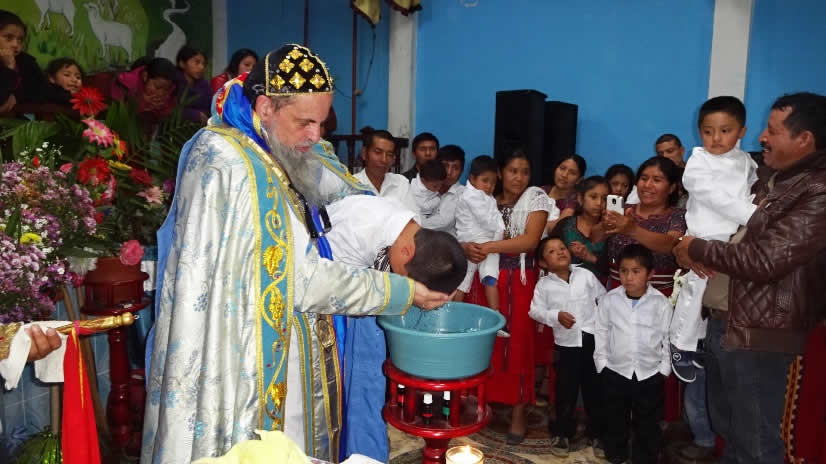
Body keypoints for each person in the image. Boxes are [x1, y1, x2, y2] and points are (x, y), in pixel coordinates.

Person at [142, 44, 450, 463]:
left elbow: (333, 182)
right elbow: (297, 280)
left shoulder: (272, 142)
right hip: (243, 356)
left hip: (291, 333)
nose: (315, 136)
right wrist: (401, 291)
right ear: (266, 107)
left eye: (321, 122)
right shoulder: (234, 164)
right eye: (305, 122)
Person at [673, 92, 826, 464]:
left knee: (756, 444)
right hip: (725, 321)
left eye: (772, 130)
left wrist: (695, 247)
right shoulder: (770, 177)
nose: (761, 137)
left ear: (804, 138)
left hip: (761, 333)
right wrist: (685, 246)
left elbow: (766, 260)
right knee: (730, 432)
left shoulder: (817, 190)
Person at [326, 195, 467, 462]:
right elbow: (333, 291)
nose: (404, 281)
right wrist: (405, 293)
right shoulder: (358, 229)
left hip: (366, 314)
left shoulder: (410, 229)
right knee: (342, 401)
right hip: (331, 315)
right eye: (405, 277)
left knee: (369, 394)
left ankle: (366, 452)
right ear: (406, 253)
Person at [463, 150, 555, 443]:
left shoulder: (535, 198)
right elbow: (463, 228)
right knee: (484, 343)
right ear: (501, 173)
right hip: (484, 280)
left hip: (519, 281)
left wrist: (488, 247)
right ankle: (483, 402)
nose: (519, 177)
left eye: (525, 171)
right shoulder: (485, 198)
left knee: (518, 344)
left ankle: (518, 411)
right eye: (513, 170)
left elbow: (529, 241)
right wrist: (468, 247)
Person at [669, 96, 757, 383]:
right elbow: (714, 197)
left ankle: (698, 342)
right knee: (696, 290)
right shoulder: (699, 161)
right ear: (699, 132)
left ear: (742, 131)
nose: (716, 138)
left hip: (732, 239)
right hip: (704, 234)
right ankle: (679, 343)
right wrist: (753, 215)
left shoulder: (747, 162)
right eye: (708, 132)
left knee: (713, 297)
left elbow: (752, 192)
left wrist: (752, 215)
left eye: (725, 131)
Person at [602, 156, 686, 423]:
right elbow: (594, 237)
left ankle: (656, 424)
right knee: (617, 352)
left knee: (653, 357)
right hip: (617, 292)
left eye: (657, 180)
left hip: (659, 297)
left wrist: (632, 229)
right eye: (644, 178)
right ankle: (615, 423)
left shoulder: (677, 216)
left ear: (672, 187)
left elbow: (670, 245)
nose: (647, 185)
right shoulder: (624, 209)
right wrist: (604, 226)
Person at [529, 236, 606, 459]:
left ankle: (597, 432)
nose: (560, 252)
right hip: (566, 344)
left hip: (592, 341)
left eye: (562, 248)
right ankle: (562, 433)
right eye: (551, 251)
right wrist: (555, 316)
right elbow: (535, 311)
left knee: (594, 389)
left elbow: (603, 298)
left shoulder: (586, 275)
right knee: (565, 391)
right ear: (543, 263)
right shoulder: (544, 285)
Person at [594, 244, 671, 464]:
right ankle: (616, 454)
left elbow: (667, 337)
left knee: (647, 421)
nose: (628, 277)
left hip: (649, 373)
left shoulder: (661, 303)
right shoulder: (610, 300)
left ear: (650, 274)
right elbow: (601, 331)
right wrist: (602, 363)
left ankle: (644, 457)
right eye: (624, 271)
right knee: (614, 416)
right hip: (616, 370)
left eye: (636, 271)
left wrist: (664, 369)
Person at [454, 155, 505, 309]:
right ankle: (454, 312)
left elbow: (496, 217)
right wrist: (501, 231)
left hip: (483, 243)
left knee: (488, 279)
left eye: (493, 182)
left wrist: (499, 231)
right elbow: (486, 220)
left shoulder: (487, 198)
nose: (489, 186)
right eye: (485, 180)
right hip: (473, 243)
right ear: (472, 179)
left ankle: (496, 314)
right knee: (463, 282)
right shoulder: (471, 196)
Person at [550, 175, 609, 281]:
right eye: (593, 197)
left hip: (599, 288)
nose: (599, 203)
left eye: (604, 199)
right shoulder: (565, 224)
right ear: (580, 198)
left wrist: (591, 257)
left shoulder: (611, 229)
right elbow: (549, 253)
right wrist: (566, 251)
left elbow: (614, 264)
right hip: (565, 286)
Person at [0, 10, 47, 113]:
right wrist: (9, 67)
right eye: (8, 37)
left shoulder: (26, 61)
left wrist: (16, 97)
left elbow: (42, 91)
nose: (15, 44)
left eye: (20, 39)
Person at [111, 57, 178, 121]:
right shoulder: (127, 84)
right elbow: (117, 112)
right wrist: (140, 104)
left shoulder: (170, 92)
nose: (161, 93)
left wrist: (159, 109)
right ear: (145, 76)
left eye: (166, 89)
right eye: (157, 87)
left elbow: (165, 116)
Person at [628, 134, 688, 206]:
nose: (665, 156)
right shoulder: (650, 172)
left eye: (670, 151)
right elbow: (632, 203)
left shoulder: (694, 173)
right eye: (660, 154)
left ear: (682, 151)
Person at [420, 145, 467, 237]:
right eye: (445, 166)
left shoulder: (464, 194)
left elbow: (443, 222)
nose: (449, 172)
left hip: (448, 244)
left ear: (461, 171)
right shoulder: (424, 187)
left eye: (455, 168)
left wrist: (412, 222)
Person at [352, 128, 409, 202]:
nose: (384, 160)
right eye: (378, 152)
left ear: (393, 159)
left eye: (389, 154)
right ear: (364, 153)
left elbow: (411, 209)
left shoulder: (401, 184)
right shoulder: (351, 186)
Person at [544, 154, 586, 233]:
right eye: (562, 168)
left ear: (579, 180)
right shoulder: (542, 190)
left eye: (572, 173)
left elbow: (556, 227)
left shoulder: (575, 201)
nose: (564, 175)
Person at [176, 45, 212, 123]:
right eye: (197, 62)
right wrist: (194, 115)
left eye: (203, 64)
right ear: (182, 63)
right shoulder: (173, 82)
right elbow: (171, 109)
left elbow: (210, 108)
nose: (201, 67)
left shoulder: (205, 84)